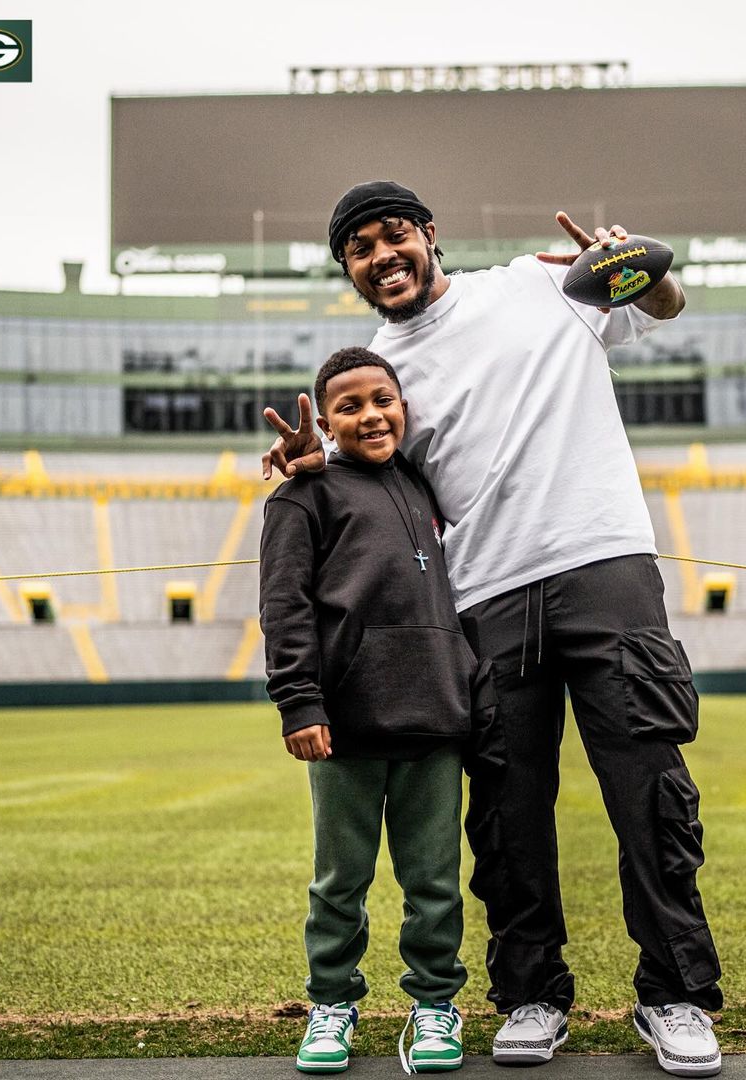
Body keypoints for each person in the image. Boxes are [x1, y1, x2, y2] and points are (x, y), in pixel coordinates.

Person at [263, 181, 723, 1078]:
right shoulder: (379, 373)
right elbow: (365, 470)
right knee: (508, 813)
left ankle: (674, 994)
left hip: (605, 567)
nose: (382, 255)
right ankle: (532, 996)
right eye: (359, 249)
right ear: (349, 270)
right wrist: (309, 467)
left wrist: (637, 269)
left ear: (429, 235)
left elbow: (664, 305)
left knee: (651, 793)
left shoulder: (535, 284)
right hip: (483, 600)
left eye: (395, 234)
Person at [260, 346, 477, 1075]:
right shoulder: (302, 496)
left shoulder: (423, 483)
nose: (370, 415)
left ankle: (435, 1003)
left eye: (381, 399)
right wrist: (299, 702)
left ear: (402, 405)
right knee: (340, 881)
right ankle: (332, 1004)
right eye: (348, 407)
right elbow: (284, 609)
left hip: (436, 716)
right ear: (325, 424)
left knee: (435, 882)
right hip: (345, 725)